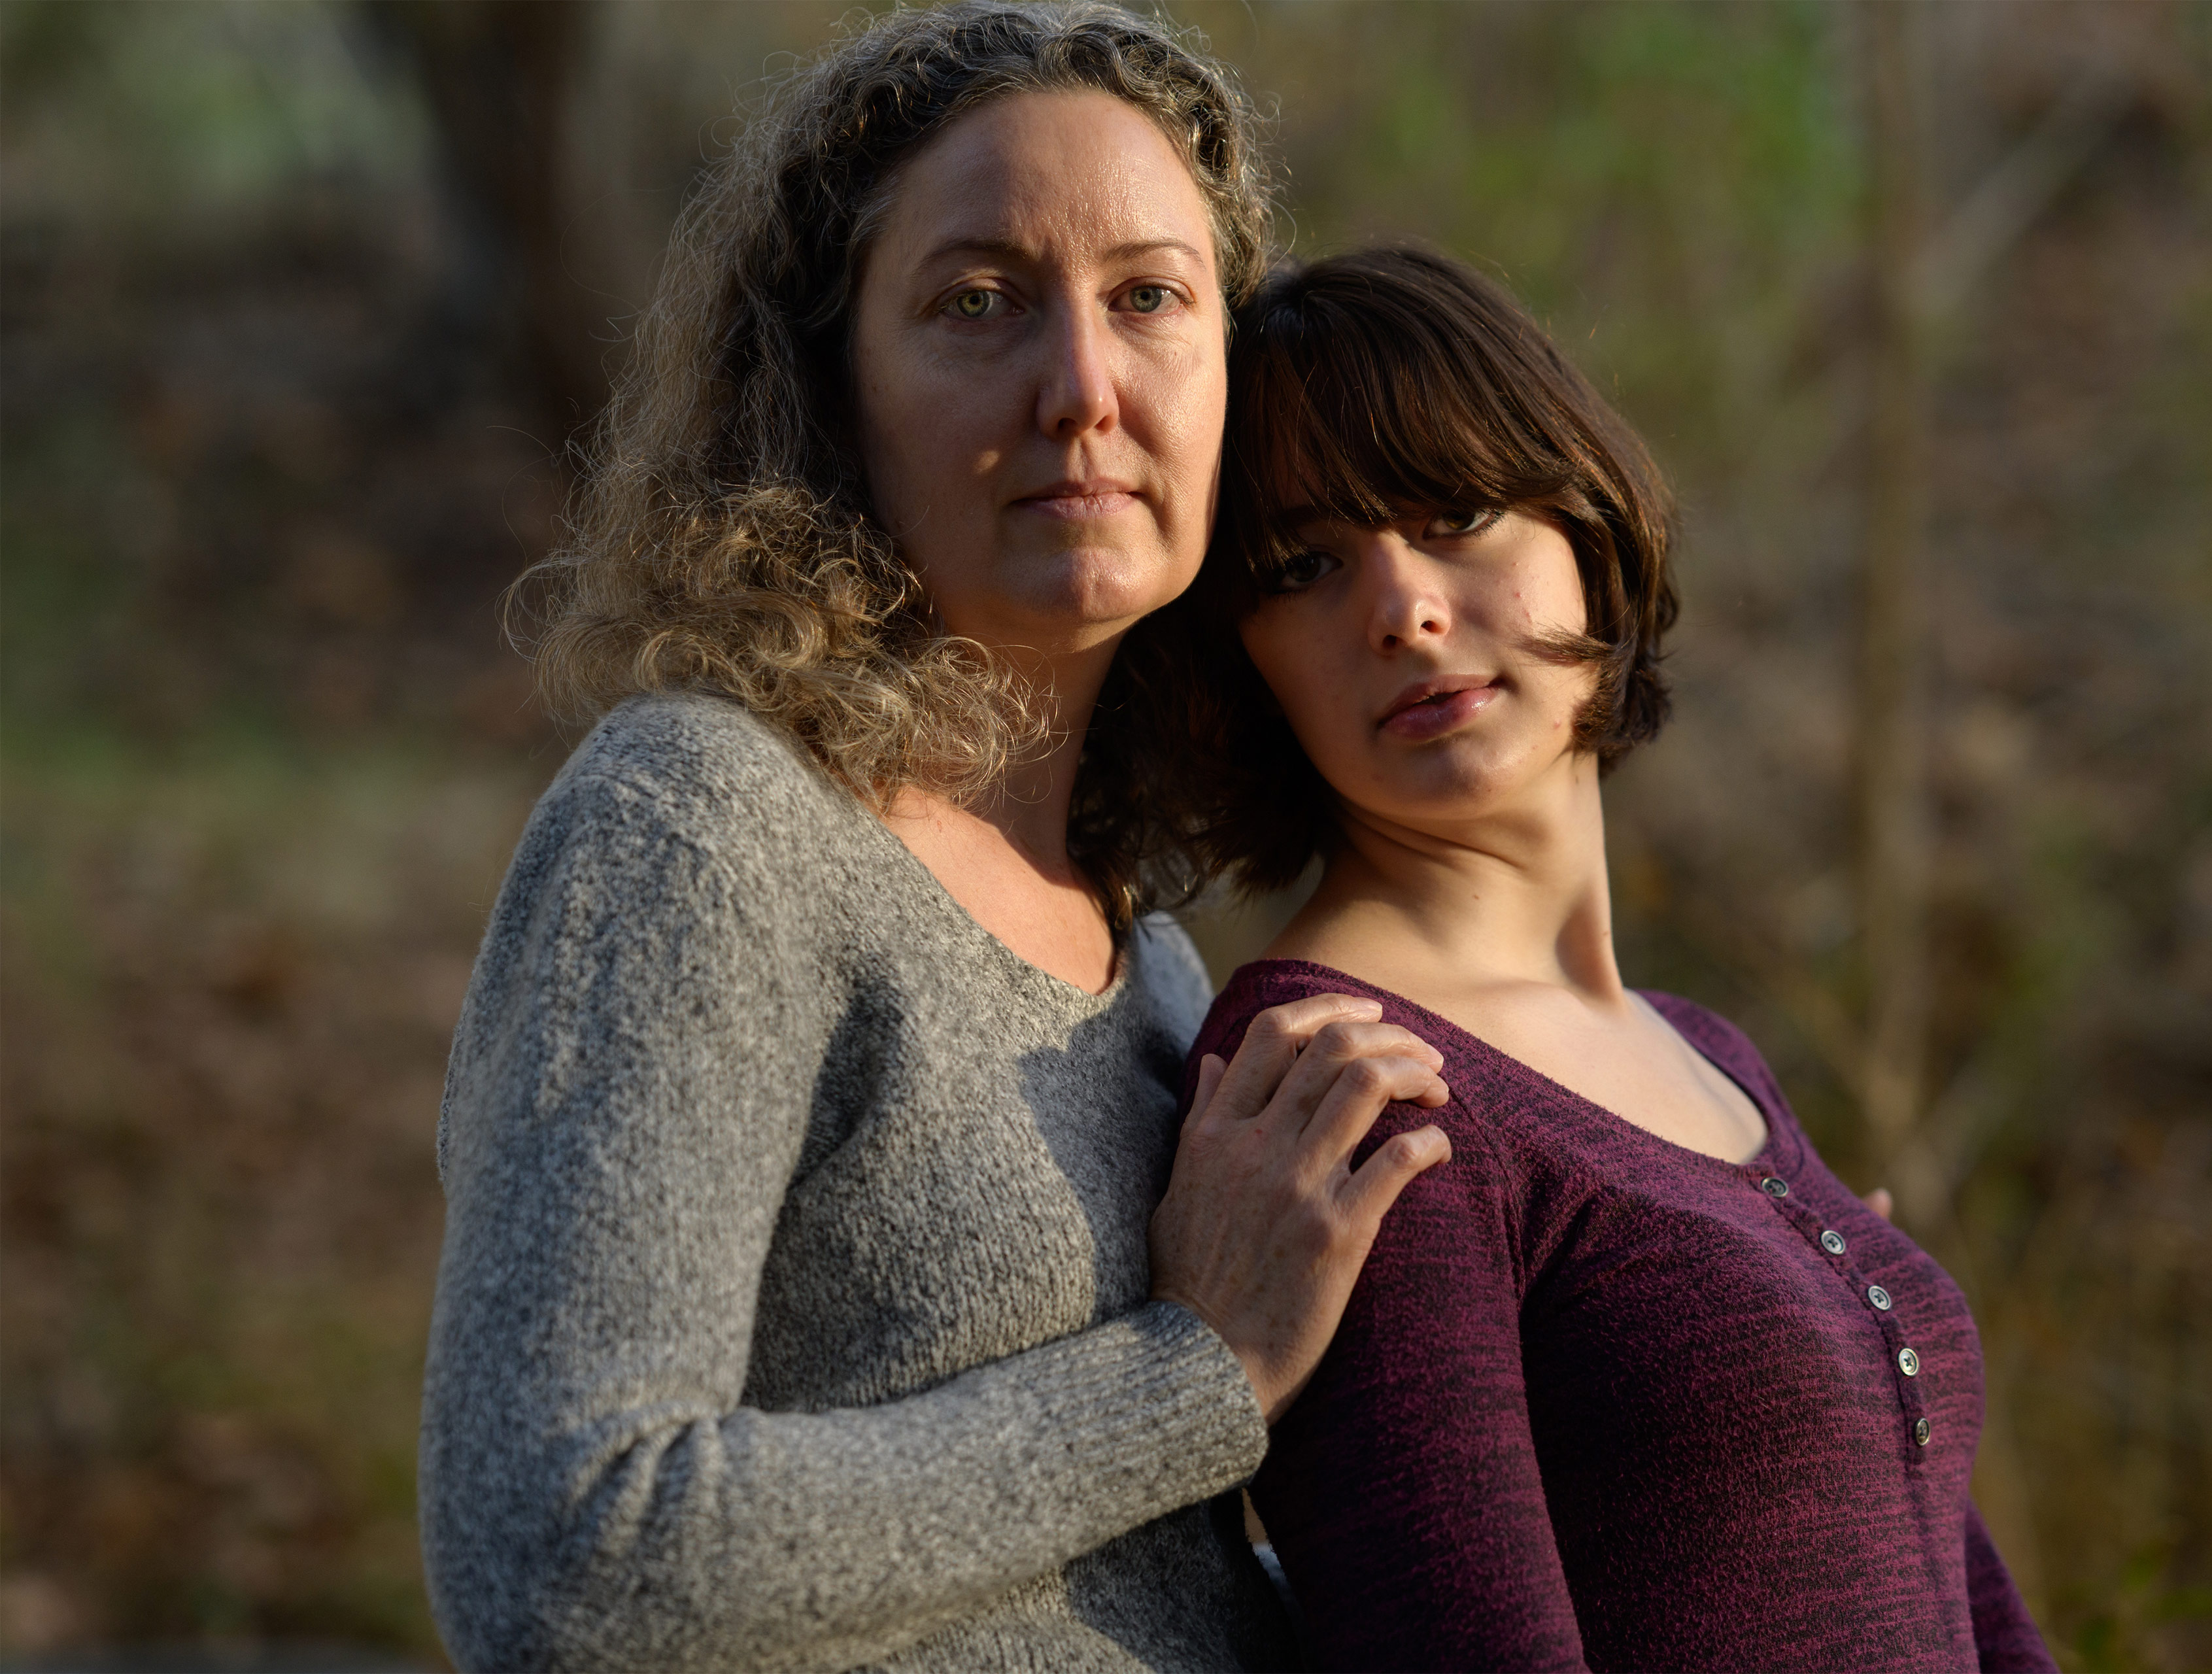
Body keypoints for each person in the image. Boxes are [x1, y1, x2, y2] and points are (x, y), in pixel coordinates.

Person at [417, 9, 1454, 1671]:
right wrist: (1193, 1372)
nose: (1083, 388)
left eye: (1150, 298)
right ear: (829, 387)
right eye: (979, 301)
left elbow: (1138, 1595)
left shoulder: (1150, 951)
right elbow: (563, 1555)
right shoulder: (704, 826)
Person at [1143, 247, 2060, 1672]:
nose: (1402, 607)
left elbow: (1962, 1593)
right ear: (1243, 660)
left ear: (1582, 518)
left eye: (1456, 512)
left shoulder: (1708, 1051)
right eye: (1304, 567)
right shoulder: (1354, 1080)